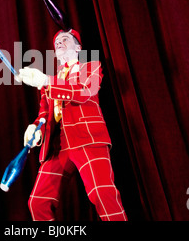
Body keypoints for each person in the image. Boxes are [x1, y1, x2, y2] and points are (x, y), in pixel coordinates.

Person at [18, 29, 127, 221]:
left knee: (102, 193)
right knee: (37, 202)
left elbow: (85, 91)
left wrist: (46, 80)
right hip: (57, 145)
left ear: (78, 47)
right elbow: (44, 115)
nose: (59, 42)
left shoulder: (91, 66)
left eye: (65, 39)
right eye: (57, 41)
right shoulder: (48, 83)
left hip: (86, 137)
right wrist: (36, 129)